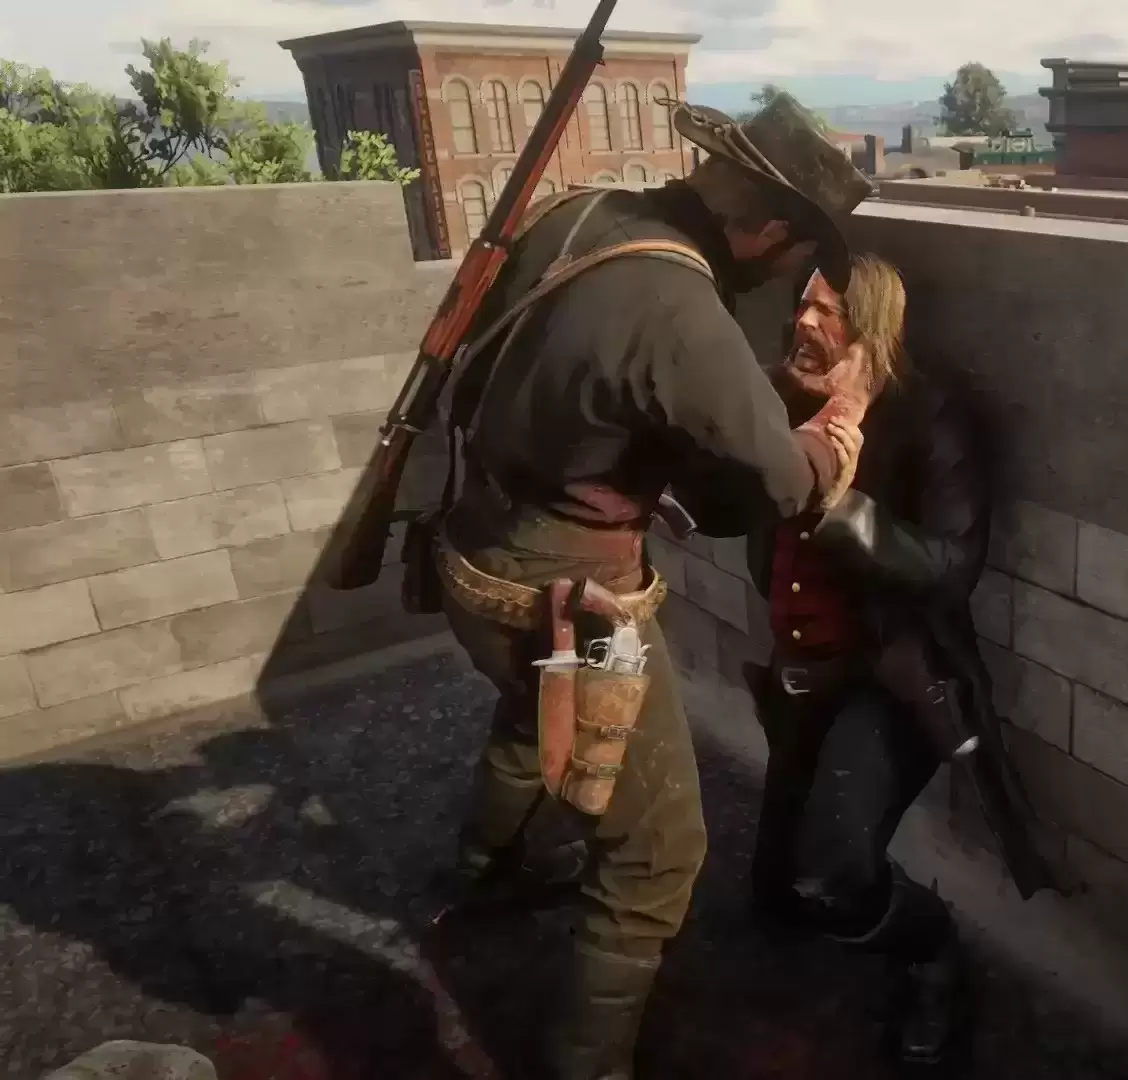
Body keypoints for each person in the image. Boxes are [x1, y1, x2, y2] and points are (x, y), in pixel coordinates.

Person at [426, 93, 878, 1080]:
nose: (791, 280)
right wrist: (835, 429)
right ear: (768, 229)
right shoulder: (678, 306)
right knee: (658, 855)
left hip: (474, 541)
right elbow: (781, 483)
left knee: (528, 710)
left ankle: (484, 874)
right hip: (564, 592)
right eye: (796, 252)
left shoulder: (582, 213)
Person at [715, 253, 1055, 1067]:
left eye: (825, 311)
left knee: (832, 876)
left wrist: (844, 507)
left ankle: (935, 958)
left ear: (870, 326)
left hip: (890, 679)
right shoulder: (780, 398)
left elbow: (950, 565)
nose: (802, 321)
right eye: (802, 304)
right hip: (800, 673)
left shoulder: (930, 416)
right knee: (778, 889)